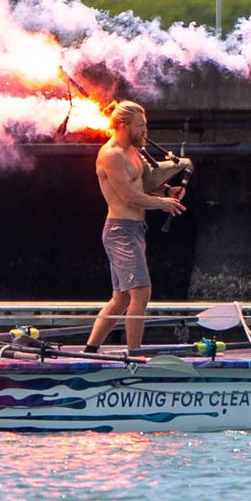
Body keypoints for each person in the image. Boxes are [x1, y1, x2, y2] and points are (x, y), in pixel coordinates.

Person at [83, 101, 186, 353]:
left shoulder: (133, 151)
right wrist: (161, 203)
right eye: (140, 126)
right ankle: (135, 354)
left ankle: (90, 349)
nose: (145, 131)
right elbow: (128, 196)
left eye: (146, 125)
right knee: (141, 292)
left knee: (121, 298)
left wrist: (166, 190)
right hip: (120, 231)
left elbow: (143, 184)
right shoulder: (111, 155)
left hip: (136, 229)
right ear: (123, 125)